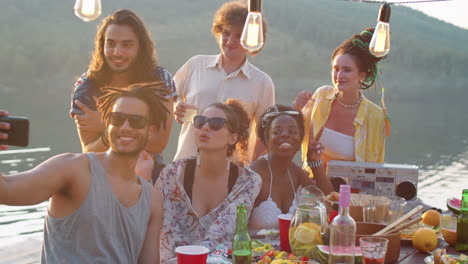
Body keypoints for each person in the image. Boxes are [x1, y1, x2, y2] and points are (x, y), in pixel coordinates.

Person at [1, 83, 166, 263]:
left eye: (137, 121)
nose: (125, 127)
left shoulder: (152, 199)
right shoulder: (73, 169)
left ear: (151, 130)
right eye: (117, 118)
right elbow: (7, 190)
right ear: (107, 123)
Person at [70, 9, 175, 181]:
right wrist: (121, 130)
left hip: (147, 176)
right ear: (102, 45)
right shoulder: (87, 87)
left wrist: (105, 123)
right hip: (101, 177)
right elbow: (89, 151)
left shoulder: (160, 81)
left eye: (127, 45)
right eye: (111, 44)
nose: (117, 52)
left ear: (140, 46)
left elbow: (158, 144)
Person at [156, 100, 261, 262]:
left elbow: (221, 235)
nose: (205, 127)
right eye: (200, 122)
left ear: (233, 138)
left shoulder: (248, 182)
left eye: (216, 124)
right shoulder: (172, 174)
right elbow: (166, 238)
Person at [173, 0, 275, 164]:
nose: (230, 40)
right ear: (218, 32)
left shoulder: (262, 82)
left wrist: (252, 174)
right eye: (226, 33)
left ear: (252, 37)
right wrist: (176, 105)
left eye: (239, 35)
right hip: (185, 165)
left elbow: (265, 136)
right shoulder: (196, 64)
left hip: (231, 174)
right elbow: (168, 94)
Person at [293, 28, 387, 171]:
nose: (339, 75)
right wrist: (296, 110)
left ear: (362, 76)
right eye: (336, 69)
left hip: (353, 190)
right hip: (312, 186)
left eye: (347, 70)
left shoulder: (376, 115)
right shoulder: (321, 96)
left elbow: (377, 166)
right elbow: (293, 137)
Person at [248, 105, 334, 231]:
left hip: (289, 250)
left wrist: (315, 163)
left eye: (292, 132)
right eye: (277, 132)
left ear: (299, 142)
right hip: (256, 250)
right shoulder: (254, 175)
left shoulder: (296, 173)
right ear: (267, 140)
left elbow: (328, 206)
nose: (285, 135)